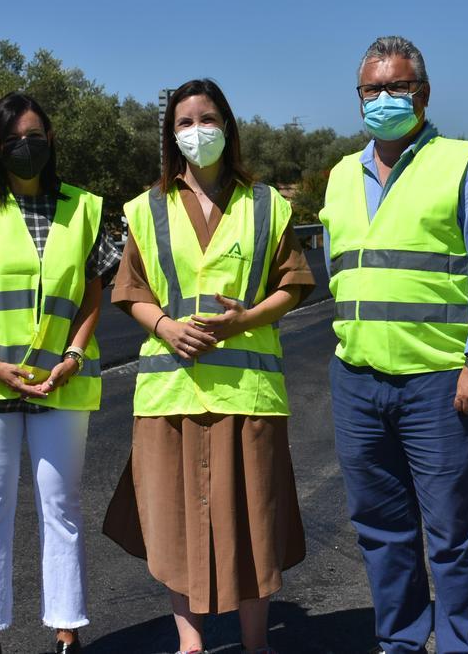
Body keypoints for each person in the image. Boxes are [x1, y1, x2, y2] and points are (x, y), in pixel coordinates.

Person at [319, 36, 468, 653]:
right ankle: (401, 641)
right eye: (371, 89)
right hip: (357, 378)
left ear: (423, 94)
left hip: (438, 379)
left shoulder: (463, 164)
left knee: (451, 529)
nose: (383, 99)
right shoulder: (338, 176)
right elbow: (339, 271)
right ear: (358, 97)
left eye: (397, 87)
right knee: (379, 527)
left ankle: (462, 642)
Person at [102, 78, 311, 654]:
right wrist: (166, 327)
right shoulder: (146, 210)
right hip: (171, 396)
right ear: (172, 136)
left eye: (208, 118)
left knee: (253, 523)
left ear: (229, 126)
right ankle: (189, 645)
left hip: (248, 394)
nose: (199, 131)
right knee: (174, 525)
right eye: (186, 122)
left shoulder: (267, 205)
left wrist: (244, 322)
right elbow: (130, 289)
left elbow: (295, 284)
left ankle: (255, 644)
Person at [0, 91, 120, 654]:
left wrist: (73, 358)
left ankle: (67, 631)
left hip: (63, 378)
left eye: (33, 136)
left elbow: (91, 295)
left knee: (62, 505)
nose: (24, 147)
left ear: (51, 139)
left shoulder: (83, 207)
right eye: (11, 141)